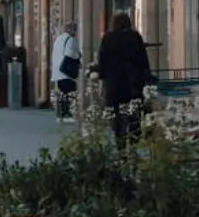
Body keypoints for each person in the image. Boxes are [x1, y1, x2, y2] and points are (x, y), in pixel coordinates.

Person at [95, 11, 152, 140]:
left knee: (117, 115)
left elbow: (102, 62)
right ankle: (134, 138)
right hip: (133, 83)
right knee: (134, 113)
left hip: (114, 83)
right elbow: (143, 60)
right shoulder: (135, 37)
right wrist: (146, 77)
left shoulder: (108, 38)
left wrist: (102, 83)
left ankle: (120, 140)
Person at [51, 22, 81, 120]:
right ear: (70, 30)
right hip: (66, 72)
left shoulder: (58, 39)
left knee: (63, 93)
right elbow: (69, 53)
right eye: (75, 29)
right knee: (70, 92)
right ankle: (67, 113)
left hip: (58, 71)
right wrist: (78, 56)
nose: (76, 32)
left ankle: (61, 113)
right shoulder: (70, 39)